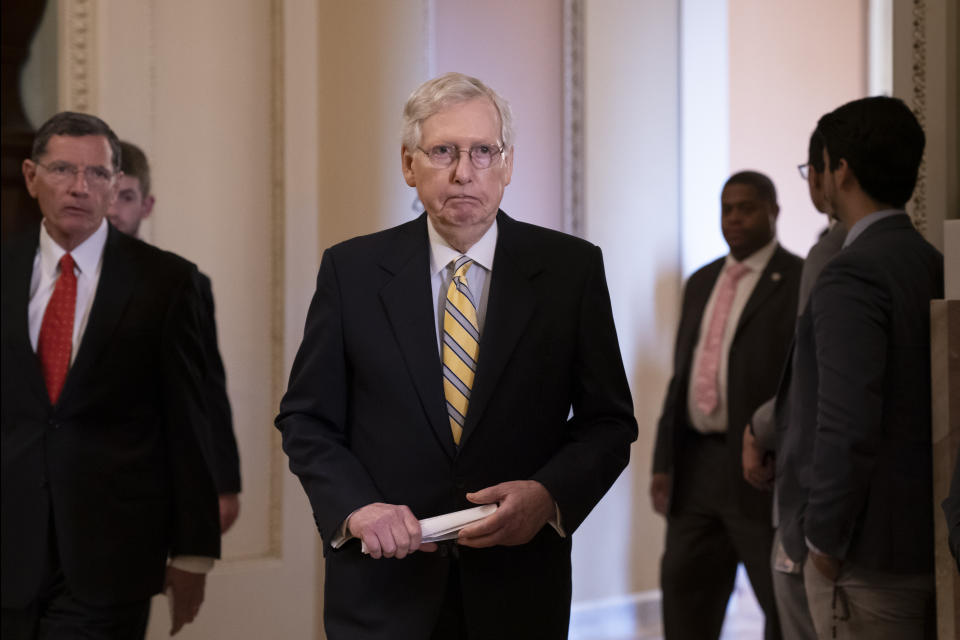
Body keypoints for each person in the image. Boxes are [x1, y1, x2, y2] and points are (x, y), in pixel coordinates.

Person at [276, 72, 637, 639]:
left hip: (518, 591)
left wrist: (548, 498)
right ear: (409, 165)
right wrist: (357, 508)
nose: (464, 172)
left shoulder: (571, 270)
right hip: (382, 589)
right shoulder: (351, 271)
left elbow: (609, 422)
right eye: (442, 151)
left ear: (508, 164)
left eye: (483, 152)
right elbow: (307, 418)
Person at [0, 112, 220, 638]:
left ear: (117, 184)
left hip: (111, 557)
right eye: (61, 170)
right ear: (31, 177)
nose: (80, 187)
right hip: (9, 547)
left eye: (97, 174)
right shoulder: (4, 270)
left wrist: (193, 552)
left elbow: (190, 422)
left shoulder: (167, 282)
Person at [777, 96, 943, 639]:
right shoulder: (933, 264)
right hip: (926, 538)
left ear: (840, 170)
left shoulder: (853, 274)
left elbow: (846, 424)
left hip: (865, 556)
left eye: (817, 167)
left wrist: (823, 541)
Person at [651, 171, 802, 639]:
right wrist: (663, 463)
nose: (734, 218)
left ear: (774, 211)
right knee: (684, 597)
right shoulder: (701, 281)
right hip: (696, 467)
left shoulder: (798, 280)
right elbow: (681, 378)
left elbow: (800, 382)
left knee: (778, 605)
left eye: (747, 208)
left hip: (760, 470)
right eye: (726, 208)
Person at [741, 130, 846, 640]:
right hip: (717, 469)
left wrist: (761, 426)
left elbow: (812, 375)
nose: (733, 219)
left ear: (835, 172)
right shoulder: (700, 280)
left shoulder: (824, 260)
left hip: (799, 479)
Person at [108, 140, 242, 533]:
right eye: (109, 196)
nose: (114, 211)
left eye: (127, 197)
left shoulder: (182, 284)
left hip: (149, 476)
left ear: (146, 206)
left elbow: (207, 387)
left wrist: (224, 483)